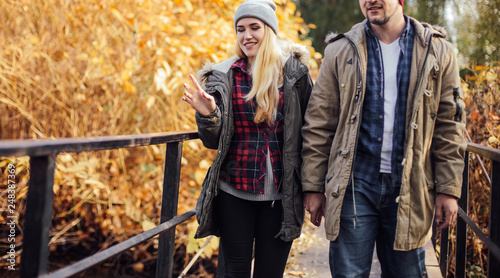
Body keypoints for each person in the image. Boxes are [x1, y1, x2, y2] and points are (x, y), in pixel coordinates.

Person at [301, 0, 467, 277]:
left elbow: (450, 125)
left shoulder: (437, 50)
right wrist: (313, 186)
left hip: (411, 185)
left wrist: (449, 189)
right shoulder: (340, 50)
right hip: (354, 185)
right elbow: (319, 122)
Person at [181, 0, 313, 277]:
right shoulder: (225, 75)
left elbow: (310, 131)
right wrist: (209, 114)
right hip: (234, 191)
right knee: (235, 271)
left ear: (270, 31)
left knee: (270, 272)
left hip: (281, 194)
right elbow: (213, 141)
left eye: (255, 27)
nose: (246, 36)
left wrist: (314, 187)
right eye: (240, 29)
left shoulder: (294, 74)